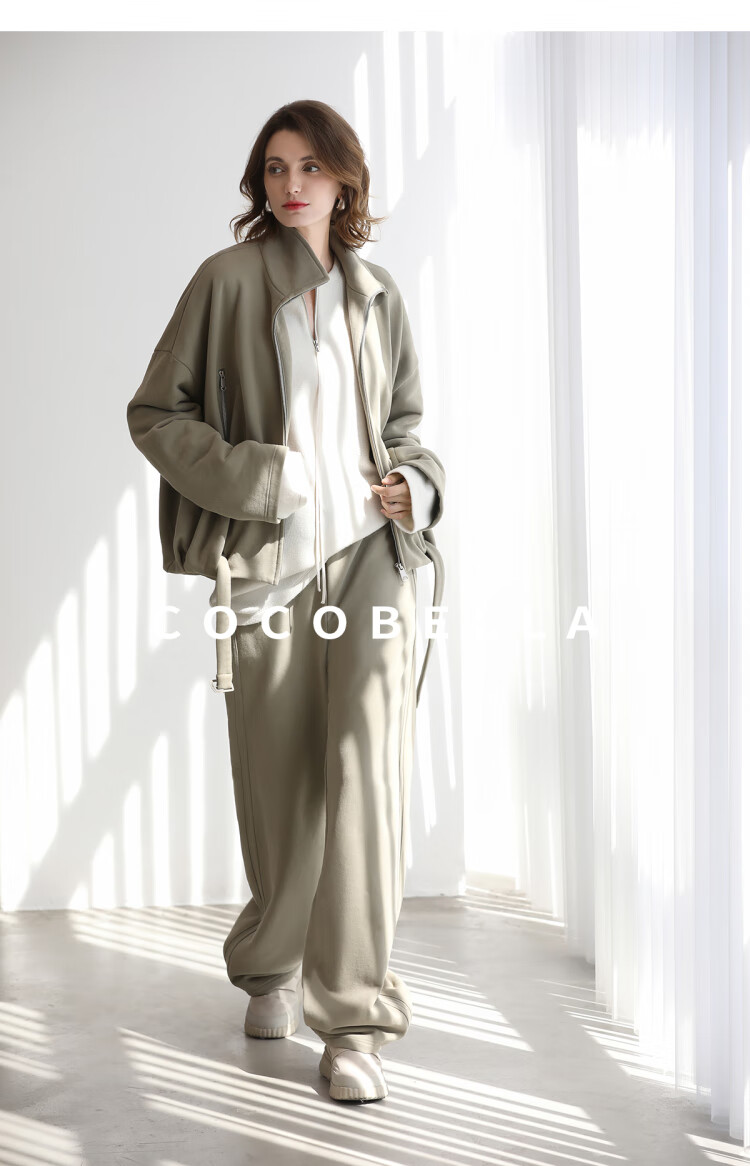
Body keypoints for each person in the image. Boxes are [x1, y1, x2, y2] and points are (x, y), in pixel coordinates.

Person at [126, 99, 446, 1104]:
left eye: (310, 166)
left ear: (344, 178)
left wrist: (417, 485)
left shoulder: (377, 293)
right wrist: (261, 477)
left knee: (368, 781)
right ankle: (270, 963)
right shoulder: (225, 282)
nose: (292, 184)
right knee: (278, 783)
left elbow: (406, 424)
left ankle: (353, 1021)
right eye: (275, 167)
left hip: (373, 561)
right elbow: (155, 412)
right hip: (268, 566)